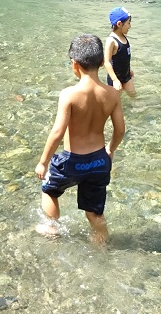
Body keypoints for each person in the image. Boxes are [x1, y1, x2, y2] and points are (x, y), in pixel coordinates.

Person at [35, 33, 125, 246]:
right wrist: (110, 150)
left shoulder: (69, 94)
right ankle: (101, 245)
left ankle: (52, 229)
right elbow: (120, 129)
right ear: (102, 63)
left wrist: (43, 162)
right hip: (99, 161)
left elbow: (57, 132)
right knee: (94, 213)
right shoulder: (112, 94)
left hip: (72, 161)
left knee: (50, 189)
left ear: (75, 64)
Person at [104, 6, 135, 96]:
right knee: (116, 100)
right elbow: (107, 62)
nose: (130, 26)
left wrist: (128, 69)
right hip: (115, 77)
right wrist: (115, 80)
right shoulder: (111, 41)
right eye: (128, 23)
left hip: (126, 76)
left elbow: (124, 57)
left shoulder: (123, 36)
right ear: (119, 24)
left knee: (133, 95)